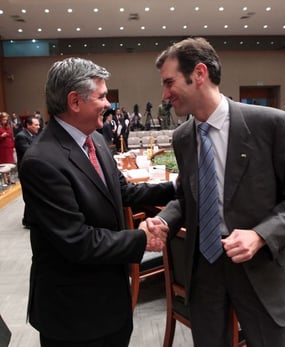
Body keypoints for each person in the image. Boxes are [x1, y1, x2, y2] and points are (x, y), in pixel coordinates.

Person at [150, 37, 285, 347]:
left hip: (260, 268)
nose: (164, 94)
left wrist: (260, 235)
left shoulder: (270, 124)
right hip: (205, 270)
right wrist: (166, 221)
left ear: (199, 74)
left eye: (169, 82)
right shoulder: (183, 137)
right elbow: (187, 198)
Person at [19, 57, 176, 347]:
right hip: (73, 315)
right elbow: (77, 240)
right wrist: (141, 238)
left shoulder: (98, 141)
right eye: (102, 96)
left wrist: (174, 186)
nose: (108, 104)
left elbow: (123, 192)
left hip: (112, 300)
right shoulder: (42, 161)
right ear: (75, 101)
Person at [14, 115, 40, 228]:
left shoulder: (34, 135)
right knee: (28, 195)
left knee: (33, 195)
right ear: (28, 125)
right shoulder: (21, 136)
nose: (38, 127)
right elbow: (28, 151)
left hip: (34, 170)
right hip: (26, 170)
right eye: (36, 125)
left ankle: (29, 219)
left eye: (38, 124)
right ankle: (28, 220)